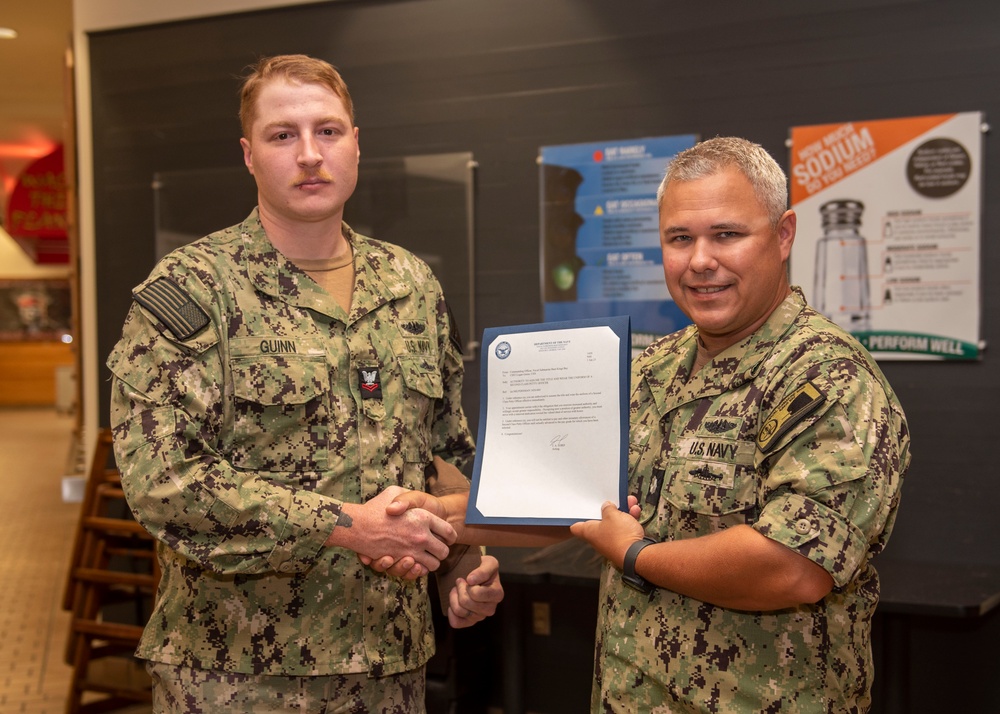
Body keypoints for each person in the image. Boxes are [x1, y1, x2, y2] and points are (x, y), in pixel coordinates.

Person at [106, 54, 502, 713]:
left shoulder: (410, 284)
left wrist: (467, 562)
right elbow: (162, 481)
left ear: (355, 145)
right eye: (283, 135)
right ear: (249, 155)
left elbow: (445, 451)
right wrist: (348, 525)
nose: (310, 154)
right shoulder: (193, 292)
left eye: (328, 130)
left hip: (389, 665)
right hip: (235, 673)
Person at [567, 136, 910, 713]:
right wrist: (439, 523)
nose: (700, 260)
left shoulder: (829, 377)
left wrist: (635, 555)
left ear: (782, 236)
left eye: (726, 234)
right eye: (680, 238)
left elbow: (794, 567)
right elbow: (576, 495)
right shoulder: (651, 368)